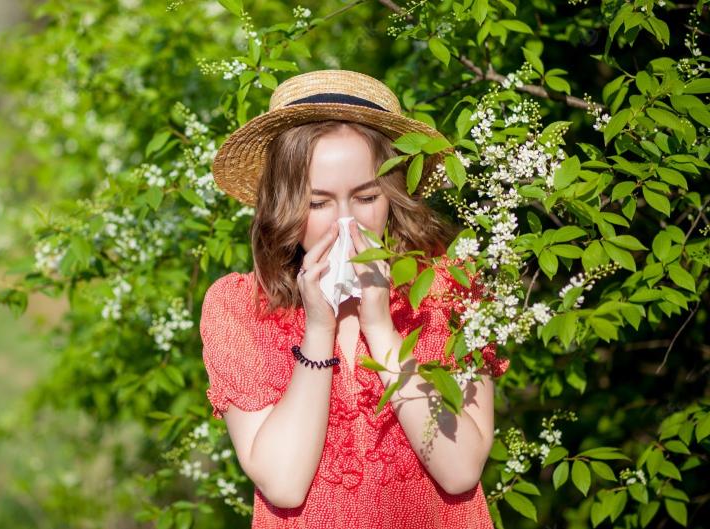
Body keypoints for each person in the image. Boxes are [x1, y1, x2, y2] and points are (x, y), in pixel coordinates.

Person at [201, 69, 510, 529]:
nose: (346, 225)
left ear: (393, 195)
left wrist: (382, 328)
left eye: (366, 197)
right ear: (284, 204)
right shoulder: (240, 308)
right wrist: (320, 331)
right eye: (319, 203)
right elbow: (283, 483)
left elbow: (460, 470)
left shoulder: (450, 289)